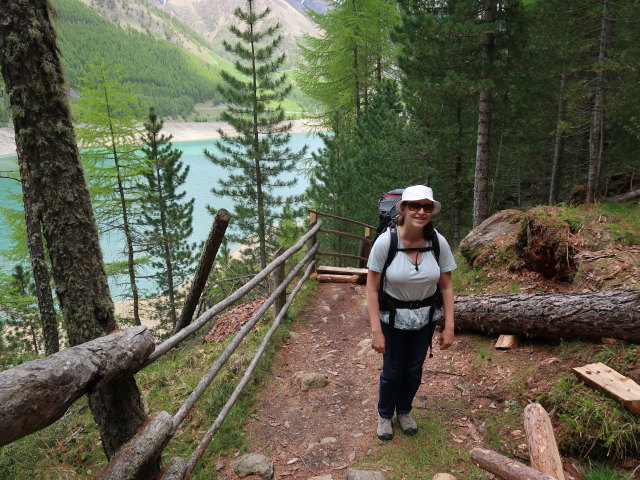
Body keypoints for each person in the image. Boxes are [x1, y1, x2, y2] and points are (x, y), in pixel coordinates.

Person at [366, 185, 456, 440]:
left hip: (425, 318)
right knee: (393, 370)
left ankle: (404, 410)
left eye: (427, 207)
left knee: (414, 370)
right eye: (414, 206)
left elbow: (447, 286)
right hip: (392, 318)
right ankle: (385, 415)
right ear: (403, 209)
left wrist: (449, 326)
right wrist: (376, 331)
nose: (421, 211)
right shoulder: (387, 242)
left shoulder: (438, 241)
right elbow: (372, 289)